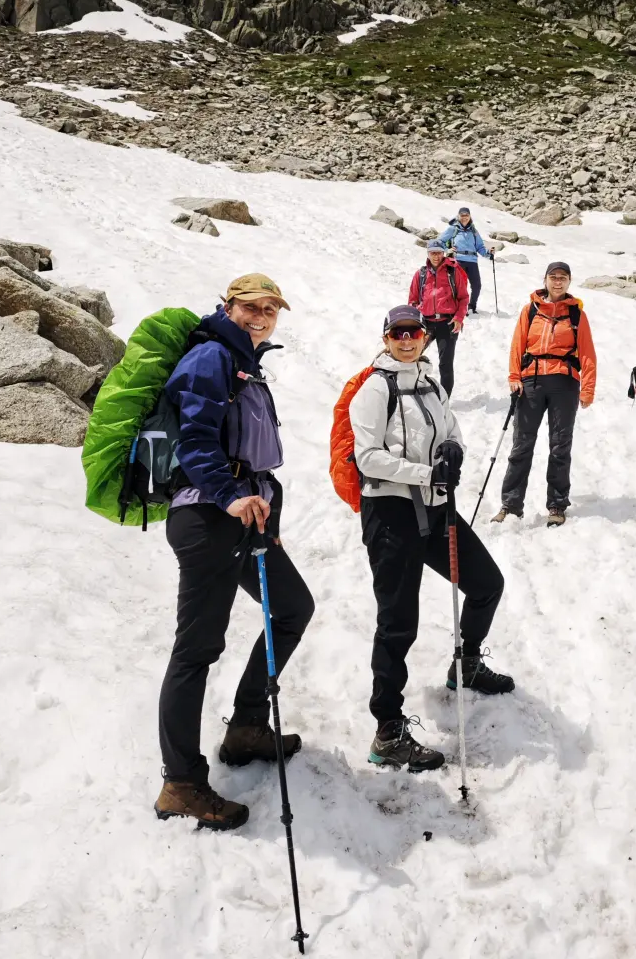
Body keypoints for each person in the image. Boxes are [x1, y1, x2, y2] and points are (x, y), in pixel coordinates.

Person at [154, 274, 315, 831]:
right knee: (195, 651)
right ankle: (180, 783)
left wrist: (261, 511)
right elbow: (196, 440)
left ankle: (246, 727)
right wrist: (230, 495)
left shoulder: (243, 361)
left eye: (272, 308)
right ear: (229, 306)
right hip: (208, 517)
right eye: (252, 306)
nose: (262, 315)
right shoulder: (209, 357)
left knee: (292, 607)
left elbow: (249, 452)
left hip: (243, 517)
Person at [349, 304, 514, 772]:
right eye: (398, 332)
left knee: (487, 584)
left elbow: (450, 426)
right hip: (391, 514)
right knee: (398, 622)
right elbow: (367, 458)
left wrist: (455, 448)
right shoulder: (374, 389)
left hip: (438, 508)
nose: (407, 339)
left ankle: (467, 665)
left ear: (423, 336)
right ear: (386, 338)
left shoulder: (430, 380)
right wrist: (427, 472)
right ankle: (387, 731)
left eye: (413, 332)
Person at [492, 262, 596, 529]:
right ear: (546, 280)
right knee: (521, 444)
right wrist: (514, 377)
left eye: (563, 278)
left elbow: (587, 353)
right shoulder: (530, 311)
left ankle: (557, 505)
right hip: (531, 380)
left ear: (569, 281)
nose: (557, 282)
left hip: (565, 381)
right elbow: (517, 345)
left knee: (560, 446)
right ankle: (511, 504)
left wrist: (587, 388)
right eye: (553, 277)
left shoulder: (576, 316)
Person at [408, 239, 469, 395]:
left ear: (443, 253)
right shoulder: (420, 274)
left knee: (446, 363)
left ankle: (444, 399)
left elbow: (463, 298)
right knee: (411, 356)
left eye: (439, 252)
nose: (436, 256)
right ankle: (410, 390)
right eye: (433, 253)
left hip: (447, 323)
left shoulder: (453, 272)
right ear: (428, 254)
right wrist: (414, 320)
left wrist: (459, 318)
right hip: (426, 323)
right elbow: (413, 300)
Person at [438, 206, 496, 315]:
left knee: (477, 285)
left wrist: (489, 254)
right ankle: (460, 308)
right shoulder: (453, 229)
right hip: (458, 260)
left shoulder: (474, 231)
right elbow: (440, 241)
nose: (464, 217)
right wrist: (447, 249)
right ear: (458, 216)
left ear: (470, 216)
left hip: (472, 261)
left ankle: (472, 307)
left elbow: (480, 247)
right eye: (462, 215)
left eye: (467, 215)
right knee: (461, 286)